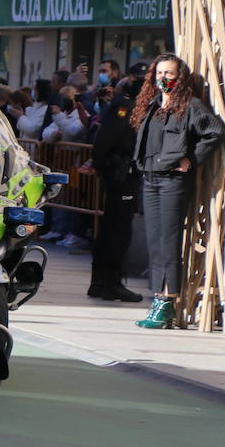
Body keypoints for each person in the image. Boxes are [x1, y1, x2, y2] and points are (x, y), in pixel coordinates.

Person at [130, 53, 223, 330]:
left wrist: (191, 159)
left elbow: (214, 131)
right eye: (159, 73)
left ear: (180, 77)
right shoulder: (151, 105)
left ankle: (167, 301)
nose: (163, 78)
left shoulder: (191, 106)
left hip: (173, 181)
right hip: (150, 178)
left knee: (169, 241)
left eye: (169, 74)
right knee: (154, 240)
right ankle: (158, 296)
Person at [84, 74, 145, 302]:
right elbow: (106, 140)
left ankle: (101, 282)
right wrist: (101, 165)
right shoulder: (124, 108)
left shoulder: (122, 106)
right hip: (121, 176)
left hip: (119, 174)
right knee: (118, 231)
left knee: (112, 230)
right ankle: (110, 282)